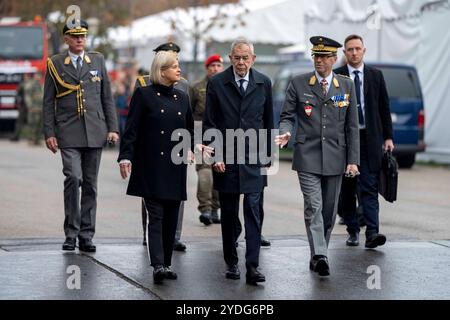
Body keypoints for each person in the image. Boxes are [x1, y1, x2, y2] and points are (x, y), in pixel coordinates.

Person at [275, 36, 360, 276]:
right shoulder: (299, 83)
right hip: (308, 155)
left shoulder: (346, 86)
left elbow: (352, 126)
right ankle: (321, 254)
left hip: (336, 156)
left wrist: (353, 160)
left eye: (324, 57)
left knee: (329, 211)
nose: (319, 61)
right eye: (316, 56)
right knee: (314, 206)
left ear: (334, 59)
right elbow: (287, 116)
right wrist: (286, 133)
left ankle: (317, 251)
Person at [118, 51, 196, 284]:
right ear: (161, 71)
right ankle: (158, 265)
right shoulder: (144, 95)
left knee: (172, 215)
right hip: (150, 164)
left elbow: (190, 128)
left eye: (178, 65)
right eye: (174, 66)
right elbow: (131, 130)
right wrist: (125, 157)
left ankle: (167, 262)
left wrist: (190, 147)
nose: (179, 69)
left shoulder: (182, 97)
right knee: (157, 216)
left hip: (175, 164)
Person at [43, 20, 119, 252]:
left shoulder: (97, 60)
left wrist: (113, 128)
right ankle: (71, 232)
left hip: (95, 130)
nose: (80, 40)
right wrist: (49, 132)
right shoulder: (56, 64)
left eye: (83, 36)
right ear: (66, 39)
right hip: (68, 131)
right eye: (75, 36)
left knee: (90, 185)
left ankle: (86, 234)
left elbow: (107, 97)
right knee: (73, 178)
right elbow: (48, 101)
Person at [203, 38, 274, 285]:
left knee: (254, 212)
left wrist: (268, 158)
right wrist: (216, 155)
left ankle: (253, 266)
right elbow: (210, 124)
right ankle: (231, 261)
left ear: (253, 59)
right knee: (230, 214)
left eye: (246, 58)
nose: (241, 62)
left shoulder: (264, 82)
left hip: (254, 159)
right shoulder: (217, 83)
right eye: (237, 58)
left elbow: (268, 123)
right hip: (227, 159)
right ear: (230, 58)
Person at [334, 34, 394, 248]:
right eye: (350, 49)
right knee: (348, 188)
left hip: (370, 139)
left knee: (369, 185)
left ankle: (372, 232)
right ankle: (352, 230)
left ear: (364, 50)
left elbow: (384, 108)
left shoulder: (375, 76)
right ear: (345, 53)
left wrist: (388, 137)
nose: (354, 52)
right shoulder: (337, 76)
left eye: (358, 49)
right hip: (347, 141)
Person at [135, 42, 189, 252]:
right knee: (152, 201)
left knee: (176, 200)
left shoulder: (183, 86)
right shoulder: (143, 84)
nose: (176, 65)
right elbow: (137, 119)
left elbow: (189, 117)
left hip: (176, 152)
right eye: (169, 58)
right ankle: (148, 233)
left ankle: (174, 235)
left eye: (176, 58)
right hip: (154, 151)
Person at [189, 54, 224, 225]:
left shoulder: (227, 85)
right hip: (200, 135)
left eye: (218, 65)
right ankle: (206, 209)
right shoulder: (196, 87)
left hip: (223, 136)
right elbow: (188, 113)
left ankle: (216, 209)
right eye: (212, 65)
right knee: (205, 172)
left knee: (220, 173)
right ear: (207, 68)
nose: (215, 68)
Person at [25, 72, 44, 145]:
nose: (38, 77)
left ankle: (37, 139)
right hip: (33, 107)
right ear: (35, 76)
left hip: (40, 107)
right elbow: (27, 96)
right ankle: (31, 139)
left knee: (39, 124)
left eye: (39, 75)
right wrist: (29, 105)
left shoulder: (40, 84)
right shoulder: (31, 84)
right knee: (33, 123)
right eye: (37, 75)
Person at [10, 73, 30, 142]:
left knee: (32, 121)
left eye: (27, 76)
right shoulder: (22, 84)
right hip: (23, 105)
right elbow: (18, 94)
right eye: (25, 76)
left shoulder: (31, 84)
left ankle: (33, 137)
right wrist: (17, 102)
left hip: (31, 106)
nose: (26, 78)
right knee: (19, 121)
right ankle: (16, 136)